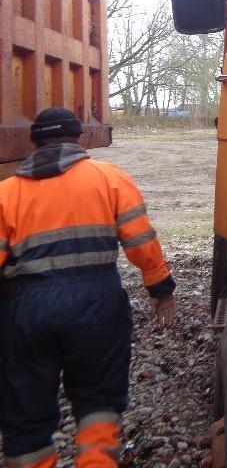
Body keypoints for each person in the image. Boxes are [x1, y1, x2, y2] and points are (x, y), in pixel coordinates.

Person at [0, 108, 176, 468]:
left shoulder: (6, 193)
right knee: (98, 399)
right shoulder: (110, 178)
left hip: (27, 309)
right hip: (97, 305)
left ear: (34, 142)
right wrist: (161, 288)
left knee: (25, 410)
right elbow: (141, 241)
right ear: (79, 137)